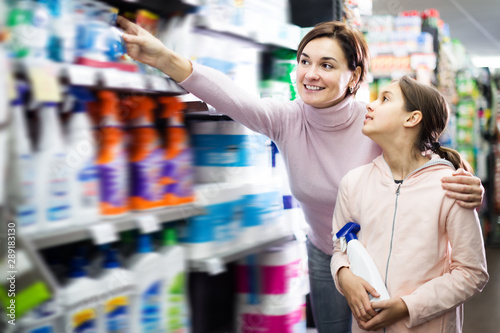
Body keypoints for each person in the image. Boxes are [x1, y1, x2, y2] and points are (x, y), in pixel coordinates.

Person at [116, 17, 485, 332]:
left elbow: (423, 156)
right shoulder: (287, 119)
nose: (310, 74)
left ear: (353, 75)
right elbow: (230, 96)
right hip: (328, 256)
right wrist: (162, 57)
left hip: (385, 260)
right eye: (304, 61)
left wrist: (465, 180)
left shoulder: (372, 122)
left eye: (327, 65)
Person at [331, 76, 489, 333]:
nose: (369, 105)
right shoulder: (353, 183)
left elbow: (472, 273)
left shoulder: (450, 187)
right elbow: (340, 247)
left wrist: (408, 306)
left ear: (412, 118)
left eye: (384, 99)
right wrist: (343, 275)